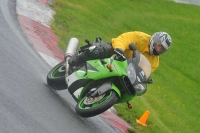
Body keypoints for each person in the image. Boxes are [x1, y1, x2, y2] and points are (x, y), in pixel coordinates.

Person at [68, 31, 172, 73]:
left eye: (162, 49)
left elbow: (144, 73)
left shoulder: (155, 62)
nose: (159, 50)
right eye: (159, 46)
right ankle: (74, 60)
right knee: (98, 51)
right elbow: (125, 38)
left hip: (125, 68)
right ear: (155, 39)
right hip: (117, 53)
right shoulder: (141, 38)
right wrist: (119, 49)